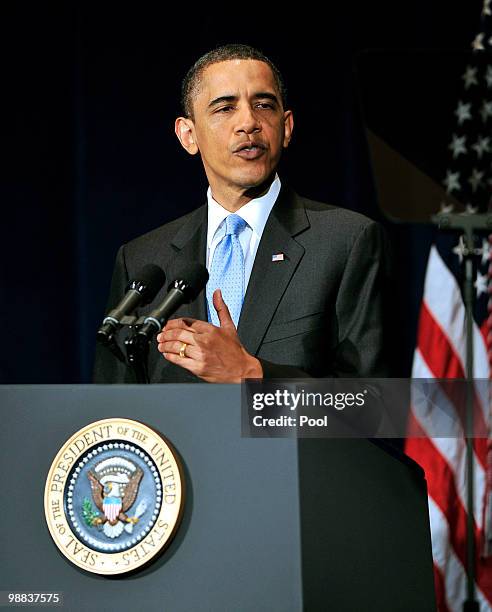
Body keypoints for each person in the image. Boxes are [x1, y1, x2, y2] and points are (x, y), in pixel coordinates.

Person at [93, 44, 388, 384]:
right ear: (188, 135)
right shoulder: (143, 259)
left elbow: (372, 410)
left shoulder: (346, 242)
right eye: (225, 108)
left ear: (287, 126)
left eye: (264, 105)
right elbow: (114, 416)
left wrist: (250, 374)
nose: (249, 122)